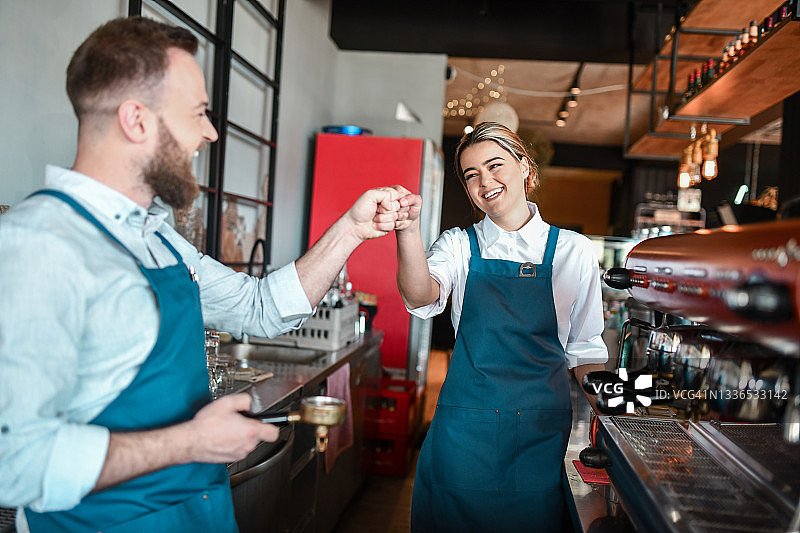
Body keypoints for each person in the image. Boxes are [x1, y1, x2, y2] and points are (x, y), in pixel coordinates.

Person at [0, 16, 413, 533]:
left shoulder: (157, 238)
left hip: (200, 514)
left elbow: (261, 308)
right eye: (198, 112)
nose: (211, 132)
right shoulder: (39, 243)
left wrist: (351, 229)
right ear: (136, 120)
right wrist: (191, 442)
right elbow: (16, 460)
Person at [394, 122, 608, 532]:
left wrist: (617, 421)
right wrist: (407, 232)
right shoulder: (458, 245)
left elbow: (585, 351)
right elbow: (420, 295)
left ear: (524, 167)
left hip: (539, 436)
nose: (485, 181)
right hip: (464, 435)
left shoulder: (574, 251)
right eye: (471, 175)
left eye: (495, 166)